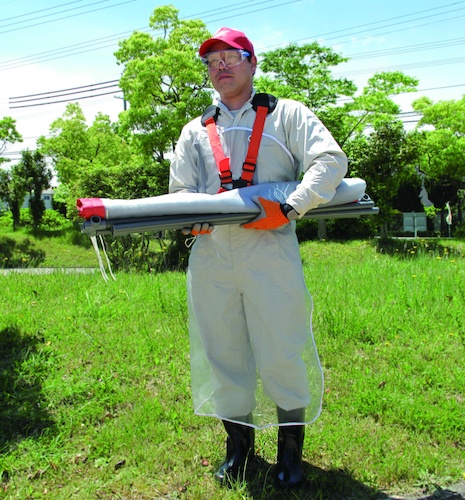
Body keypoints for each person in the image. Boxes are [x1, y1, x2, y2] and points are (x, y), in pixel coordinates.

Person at [169, 27, 348, 488]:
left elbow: (329, 160)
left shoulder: (287, 114)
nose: (220, 66)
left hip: (270, 247)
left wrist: (290, 207)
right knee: (223, 349)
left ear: (252, 62)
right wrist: (192, 218)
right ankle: (239, 449)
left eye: (230, 57)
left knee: (281, 346)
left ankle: (291, 451)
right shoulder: (194, 130)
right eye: (211, 62)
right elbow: (180, 193)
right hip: (212, 254)